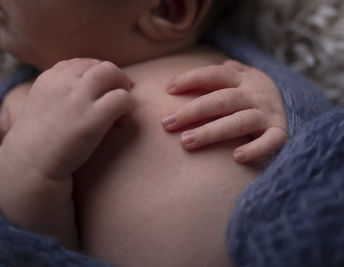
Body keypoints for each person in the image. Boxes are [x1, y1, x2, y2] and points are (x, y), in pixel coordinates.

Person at [0, 0, 288, 266]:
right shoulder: (20, 106)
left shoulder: (236, 69)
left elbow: (316, 145)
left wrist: (277, 104)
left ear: (168, 11)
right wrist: (29, 170)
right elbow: (34, 250)